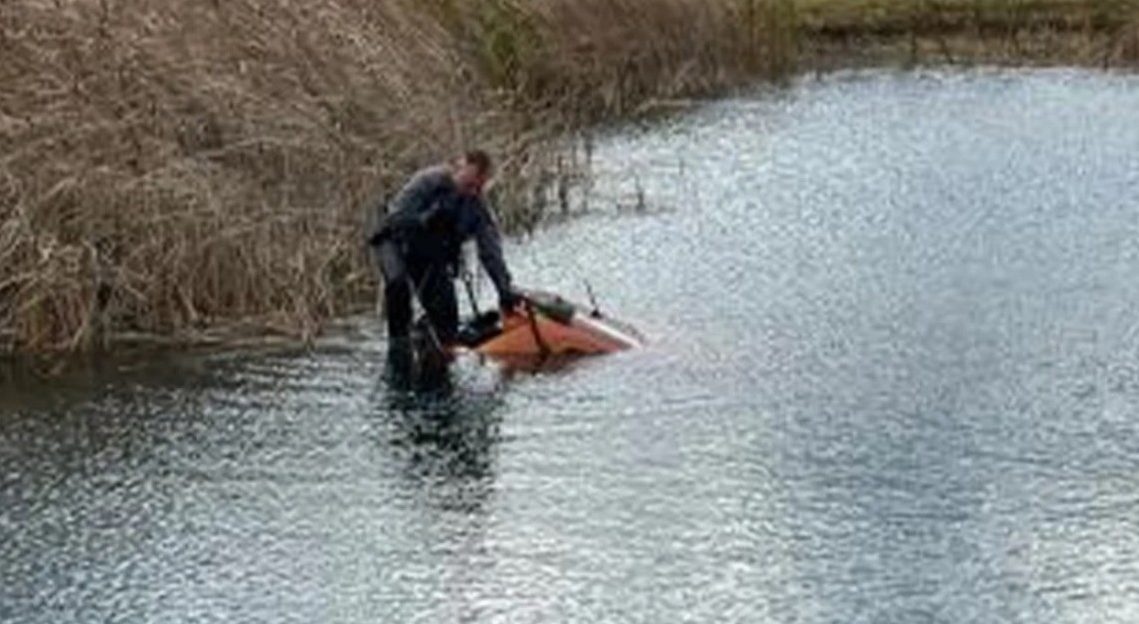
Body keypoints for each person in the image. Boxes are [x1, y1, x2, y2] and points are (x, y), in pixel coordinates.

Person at [369, 150, 521, 347]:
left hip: (429, 255)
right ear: (460, 168)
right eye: (469, 185)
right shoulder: (428, 181)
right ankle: (398, 343)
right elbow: (396, 219)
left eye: (478, 188)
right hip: (394, 241)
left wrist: (504, 289)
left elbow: (490, 252)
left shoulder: (476, 207)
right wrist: (425, 219)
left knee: (447, 326)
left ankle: (428, 336)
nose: (473, 192)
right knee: (398, 285)